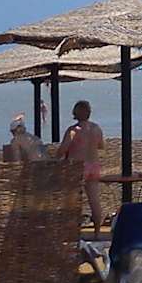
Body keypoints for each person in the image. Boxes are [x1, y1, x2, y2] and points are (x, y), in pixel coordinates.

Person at [56, 100, 106, 233]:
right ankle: (97, 231)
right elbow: (101, 145)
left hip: (78, 166)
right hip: (93, 165)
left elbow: (63, 149)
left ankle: (72, 231)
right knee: (94, 200)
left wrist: (56, 158)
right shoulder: (96, 128)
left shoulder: (73, 130)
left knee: (73, 200)